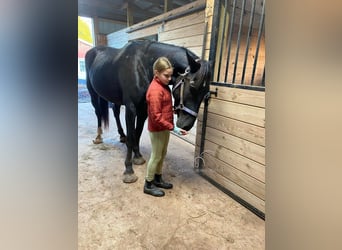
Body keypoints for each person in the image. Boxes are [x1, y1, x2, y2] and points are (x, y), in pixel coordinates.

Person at [144, 57, 188, 197]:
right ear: (156, 73)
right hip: (158, 128)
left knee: (162, 154)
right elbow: (156, 116)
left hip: (165, 127)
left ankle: (157, 178)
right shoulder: (155, 90)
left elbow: (164, 107)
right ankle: (148, 184)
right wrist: (173, 128)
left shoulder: (163, 86)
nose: (169, 79)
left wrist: (173, 111)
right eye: (166, 75)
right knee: (156, 156)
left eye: (170, 75)